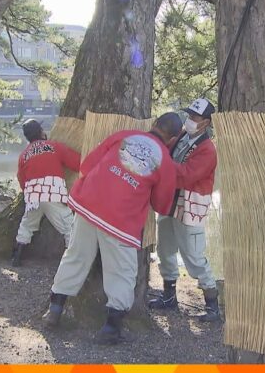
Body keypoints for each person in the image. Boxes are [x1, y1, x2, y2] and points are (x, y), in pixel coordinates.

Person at [42, 112, 182, 344]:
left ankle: (55, 309)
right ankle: (111, 327)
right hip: (120, 220)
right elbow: (161, 204)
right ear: (173, 139)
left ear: (154, 124)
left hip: (87, 203)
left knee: (76, 256)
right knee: (123, 271)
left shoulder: (123, 136)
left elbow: (86, 165)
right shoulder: (165, 162)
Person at [148, 98, 221, 322]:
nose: (189, 120)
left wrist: (160, 163)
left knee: (194, 256)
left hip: (190, 206)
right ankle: (169, 296)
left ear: (206, 122)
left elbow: (187, 174)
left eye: (195, 118)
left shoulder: (208, 149)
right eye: (189, 116)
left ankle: (212, 305)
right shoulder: (181, 137)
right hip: (171, 201)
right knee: (165, 249)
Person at [11, 119, 81, 267]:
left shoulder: (24, 154)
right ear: (41, 132)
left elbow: (21, 177)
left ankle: (17, 255)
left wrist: (28, 193)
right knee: (68, 226)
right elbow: (76, 163)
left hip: (32, 197)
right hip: (51, 194)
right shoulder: (54, 147)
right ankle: (71, 261)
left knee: (27, 225)